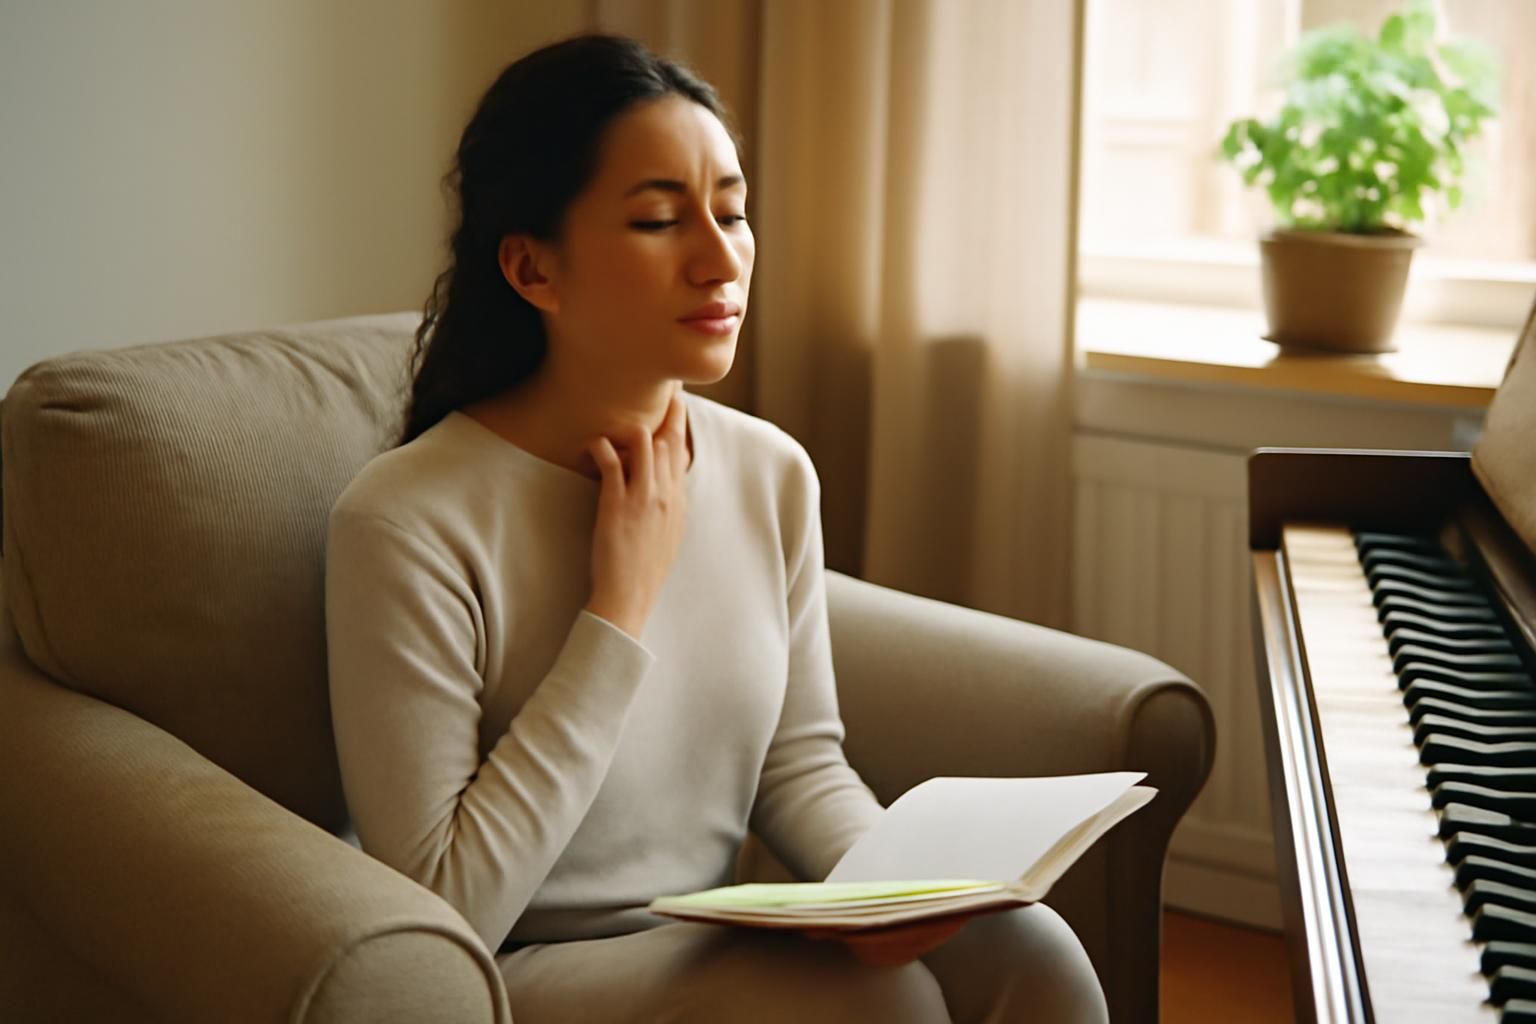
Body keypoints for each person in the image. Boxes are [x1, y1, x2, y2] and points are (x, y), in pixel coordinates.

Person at [324, 32, 1109, 1024]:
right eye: (659, 220)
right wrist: (618, 611)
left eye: (733, 211)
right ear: (532, 268)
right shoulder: (405, 521)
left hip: (712, 937)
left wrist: (897, 891)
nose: (720, 256)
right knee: (884, 1007)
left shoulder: (768, 471)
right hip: (518, 971)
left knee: (1031, 953)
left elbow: (799, 764)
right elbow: (447, 904)